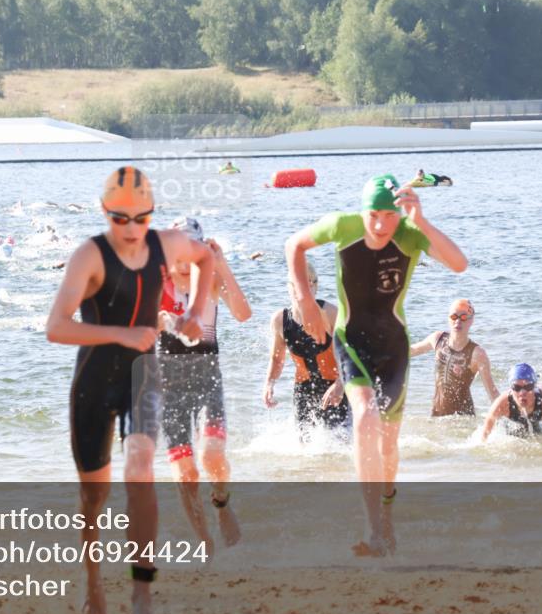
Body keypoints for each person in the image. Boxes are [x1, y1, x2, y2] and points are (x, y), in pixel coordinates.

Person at [46, 166, 214, 614]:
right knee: (93, 497)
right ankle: (93, 578)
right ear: (105, 213)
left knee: (140, 469)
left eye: (141, 218)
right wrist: (122, 333)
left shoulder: (167, 244)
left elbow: (206, 258)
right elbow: (56, 327)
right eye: (121, 219)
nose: (132, 228)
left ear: (152, 214)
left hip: (142, 375)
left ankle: (142, 595)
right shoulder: (89, 256)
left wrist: (196, 311)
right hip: (93, 382)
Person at [285, 174, 467, 557]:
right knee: (366, 415)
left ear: (398, 213)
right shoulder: (342, 226)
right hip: (351, 341)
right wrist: (304, 300)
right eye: (374, 215)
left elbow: (458, 263)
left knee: (388, 445)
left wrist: (421, 220)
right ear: (363, 211)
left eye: (389, 215)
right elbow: (294, 245)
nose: (381, 225)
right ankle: (371, 528)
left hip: (393, 348)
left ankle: (386, 514)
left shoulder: (411, 234)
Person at [158, 216, 250, 552]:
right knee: (185, 472)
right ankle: (205, 543)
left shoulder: (211, 280)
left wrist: (222, 264)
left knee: (211, 454)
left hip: (207, 378)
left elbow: (243, 313)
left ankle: (222, 502)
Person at [265, 262, 351, 441]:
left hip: (334, 389)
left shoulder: (330, 313)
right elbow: (277, 359)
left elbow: (351, 353)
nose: (306, 288)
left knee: (341, 444)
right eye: (300, 283)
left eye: (311, 282)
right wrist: (269, 384)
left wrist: (340, 385)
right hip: (303, 391)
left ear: (315, 287)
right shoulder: (280, 320)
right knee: (304, 445)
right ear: (289, 287)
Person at [410, 299, 499, 416]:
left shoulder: (477, 354)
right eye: (454, 317)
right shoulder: (438, 339)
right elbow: (411, 351)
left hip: (463, 419)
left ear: (471, 320)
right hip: (437, 415)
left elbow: (492, 393)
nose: (458, 321)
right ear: (449, 319)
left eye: (463, 317)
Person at [480, 363, 542, 441]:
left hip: (539, 421)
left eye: (528, 387)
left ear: (534, 387)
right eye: (517, 387)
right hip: (512, 424)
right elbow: (483, 438)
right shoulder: (502, 404)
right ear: (511, 388)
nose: (522, 393)